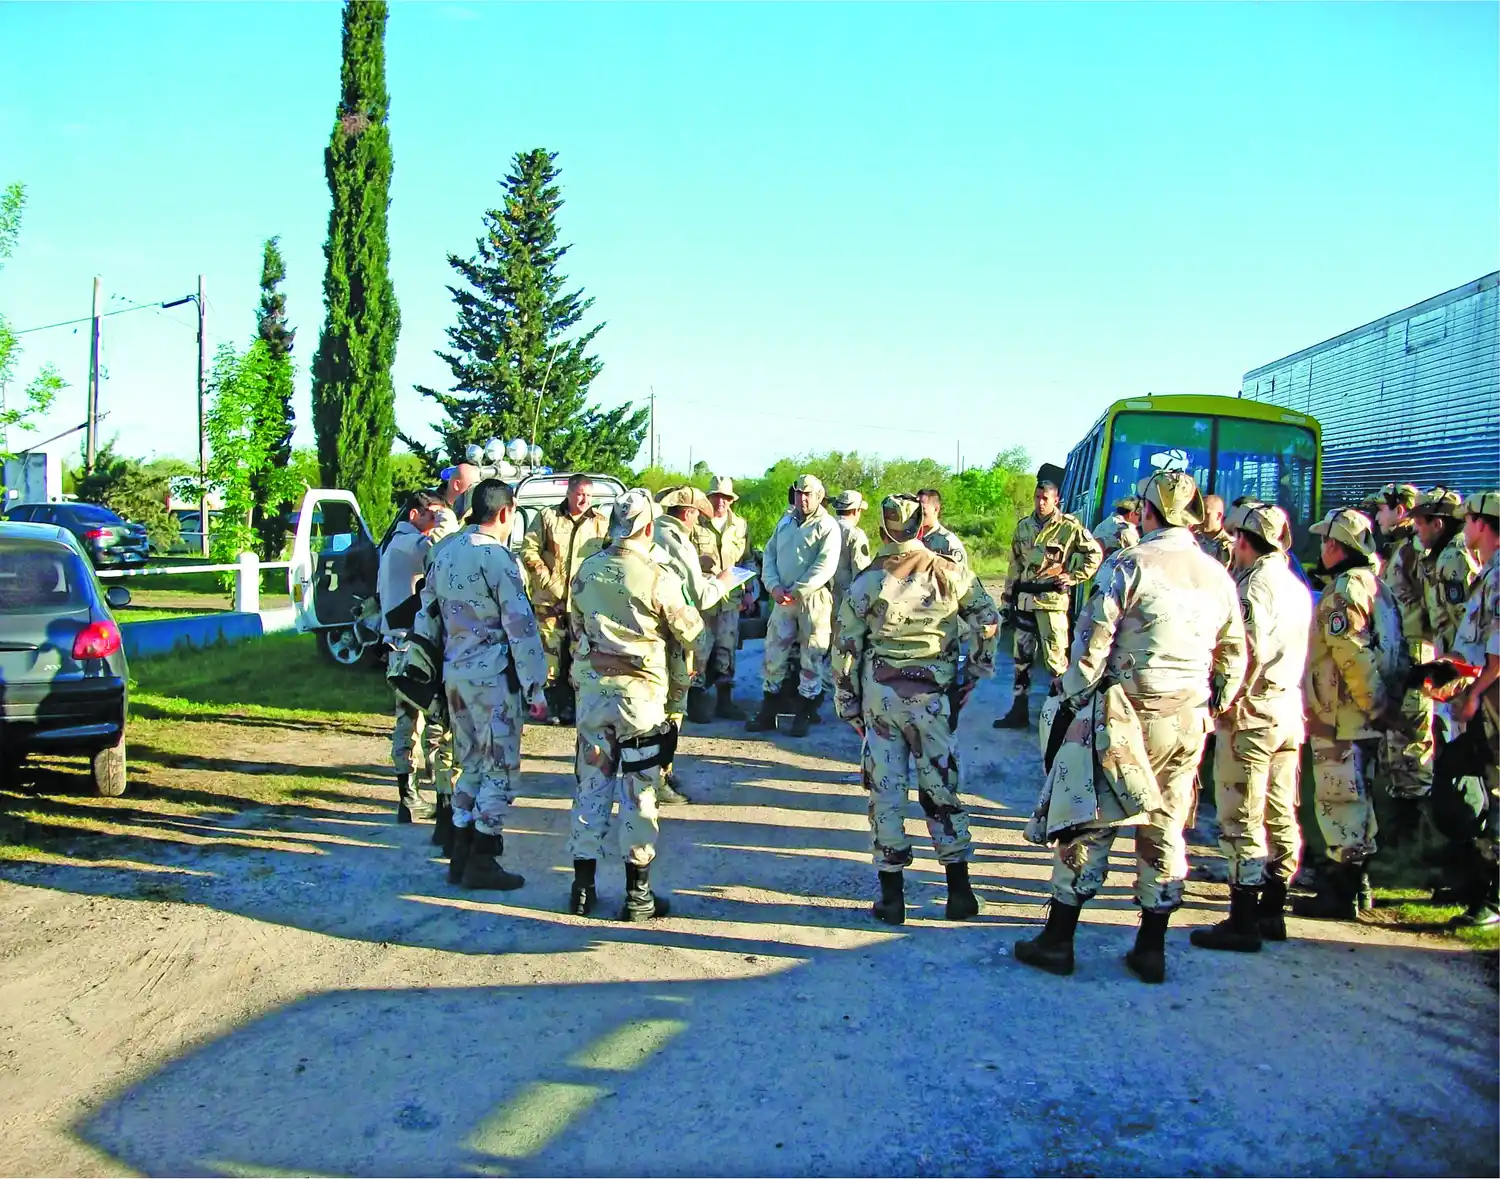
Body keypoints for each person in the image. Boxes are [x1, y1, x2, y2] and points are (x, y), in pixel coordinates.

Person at [1014, 471, 1245, 983]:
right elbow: (1234, 653)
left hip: (1126, 713)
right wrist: (1215, 704)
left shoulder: (1129, 565)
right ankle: (1150, 948)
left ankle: (1059, 939)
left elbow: (1093, 643)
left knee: (1090, 816)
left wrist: (1070, 693)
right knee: (1165, 824)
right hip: (1188, 718)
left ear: (1148, 511)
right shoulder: (1217, 576)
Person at [834, 495, 1001, 925]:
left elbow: (845, 647)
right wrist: (974, 673)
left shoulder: (868, 582)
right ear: (920, 529)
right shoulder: (950, 572)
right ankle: (959, 893)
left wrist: (848, 702)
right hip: (934, 699)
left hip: (882, 701)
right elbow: (987, 617)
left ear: (884, 531)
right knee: (941, 789)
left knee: (886, 793)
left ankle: (892, 900)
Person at [566, 490, 704, 921]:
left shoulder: (587, 570)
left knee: (591, 786)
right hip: (639, 701)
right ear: (648, 527)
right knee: (639, 792)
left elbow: (575, 628)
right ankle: (638, 895)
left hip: (592, 695)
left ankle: (583, 890)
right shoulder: (656, 574)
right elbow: (690, 630)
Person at [1190, 502, 1312, 952]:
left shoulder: (1253, 588)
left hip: (1252, 715)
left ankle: (1242, 920)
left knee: (1240, 815)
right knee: (1280, 812)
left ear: (1243, 540)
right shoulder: (1295, 585)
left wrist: (1221, 703)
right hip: (1286, 712)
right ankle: (1272, 910)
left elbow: (1245, 654)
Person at [417, 480, 549, 891]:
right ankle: (484, 858)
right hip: (492, 678)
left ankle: (459, 852)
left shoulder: (446, 552)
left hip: (455, 674)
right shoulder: (498, 558)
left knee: (471, 762)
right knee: (500, 770)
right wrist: (536, 686)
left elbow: (427, 616)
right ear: (507, 513)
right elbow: (521, 627)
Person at [1294, 508, 1405, 920]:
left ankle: (1340, 893)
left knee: (1340, 800)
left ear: (1336, 546)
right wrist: (1385, 708)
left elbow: (1351, 655)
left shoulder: (1343, 591)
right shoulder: (1379, 587)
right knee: (1360, 800)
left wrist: (1372, 704)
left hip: (1342, 715)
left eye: (1326, 541)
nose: (1322, 548)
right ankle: (1358, 887)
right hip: (1367, 716)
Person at [652, 485, 739, 802]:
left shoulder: (650, 532)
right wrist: (723, 583)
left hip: (645, 636)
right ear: (688, 513)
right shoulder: (678, 541)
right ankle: (660, 775)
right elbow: (700, 596)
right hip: (673, 633)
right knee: (671, 709)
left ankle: (649, 773)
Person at [994, 477, 1102, 731]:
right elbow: (1015, 566)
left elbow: (1094, 554)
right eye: (1037, 497)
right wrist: (1007, 600)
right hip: (1025, 601)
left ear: (1056, 500)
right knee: (1022, 660)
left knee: (1056, 662)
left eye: (1046, 498)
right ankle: (1018, 712)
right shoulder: (1023, 527)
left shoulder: (1068, 527)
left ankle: (1060, 716)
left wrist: (1073, 577)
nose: (1041, 503)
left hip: (1051, 602)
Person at [1438, 490, 1500, 926]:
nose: (1464, 527)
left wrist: (1476, 692)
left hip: (1494, 700)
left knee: (1496, 795)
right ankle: (1476, 884)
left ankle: (1492, 900)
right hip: (1484, 695)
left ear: (1484, 524)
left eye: (1469, 520)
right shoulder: (1490, 572)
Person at [377, 490, 453, 825]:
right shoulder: (410, 544)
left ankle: (409, 797)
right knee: (432, 721)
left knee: (407, 722)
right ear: (414, 515)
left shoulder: (397, 542)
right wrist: (448, 525)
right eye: (431, 514)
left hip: (400, 643)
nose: (435, 520)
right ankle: (437, 798)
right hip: (411, 647)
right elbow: (444, 555)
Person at [747, 473, 841, 738]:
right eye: (799, 493)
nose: (803, 498)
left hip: (813, 600)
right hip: (782, 599)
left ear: (819, 496)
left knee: (812, 654)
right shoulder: (785, 522)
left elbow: (825, 565)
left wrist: (798, 590)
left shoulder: (827, 526)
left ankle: (805, 711)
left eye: (808, 494)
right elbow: (770, 555)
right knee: (774, 652)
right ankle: (769, 709)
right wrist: (773, 586)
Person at [520, 474, 610, 725]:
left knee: (578, 655)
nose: (584, 500)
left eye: (589, 496)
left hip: (583, 603)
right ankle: (549, 706)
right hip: (549, 601)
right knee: (549, 655)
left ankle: (573, 706)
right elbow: (529, 549)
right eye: (580, 494)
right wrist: (545, 579)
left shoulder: (601, 524)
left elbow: (610, 557)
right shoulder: (548, 518)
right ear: (569, 493)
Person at [1374, 483, 1432, 842]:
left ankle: (1414, 836)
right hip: (1398, 653)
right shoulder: (1399, 549)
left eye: (1383, 508)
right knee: (1394, 744)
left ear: (1401, 510)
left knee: (1411, 744)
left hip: (1415, 656)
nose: (1378, 514)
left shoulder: (1415, 552)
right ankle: (1399, 830)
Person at [693, 475, 751, 720]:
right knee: (700, 647)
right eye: (716, 497)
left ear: (731, 500)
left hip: (731, 596)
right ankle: (696, 700)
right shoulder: (696, 524)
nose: (721, 502)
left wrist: (749, 592)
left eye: (725, 498)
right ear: (709, 498)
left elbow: (746, 560)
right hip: (704, 595)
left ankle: (724, 701)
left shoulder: (740, 525)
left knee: (726, 648)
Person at [915, 489, 968, 570]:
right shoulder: (910, 538)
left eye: (922, 509)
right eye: (915, 508)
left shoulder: (948, 542)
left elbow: (960, 576)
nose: (917, 513)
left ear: (936, 509)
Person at [1196, 494, 1234, 567]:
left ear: (1218, 516)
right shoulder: (1191, 539)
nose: (1201, 518)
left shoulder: (1231, 547)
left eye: (1206, 514)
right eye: (1199, 513)